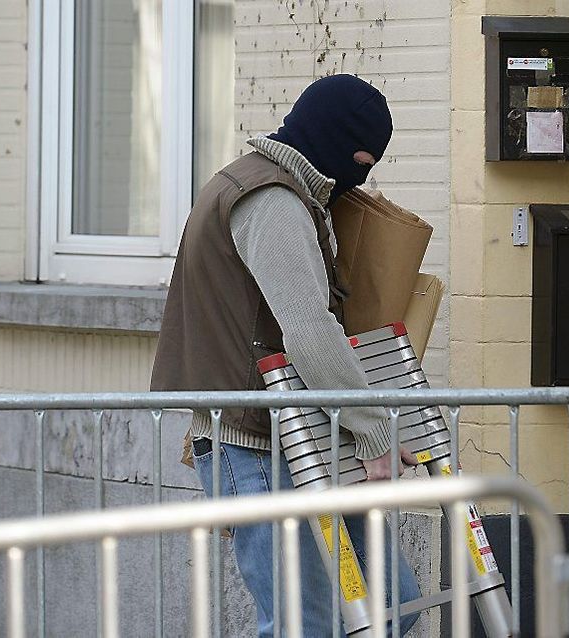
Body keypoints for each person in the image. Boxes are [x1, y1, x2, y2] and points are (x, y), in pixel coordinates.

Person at [151, 74, 422, 636]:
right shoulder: (270, 201)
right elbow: (307, 329)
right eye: (362, 160)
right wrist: (375, 431)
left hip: (307, 437)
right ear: (332, 142)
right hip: (254, 443)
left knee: (394, 601)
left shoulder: (292, 192)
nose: (362, 176)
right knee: (304, 622)